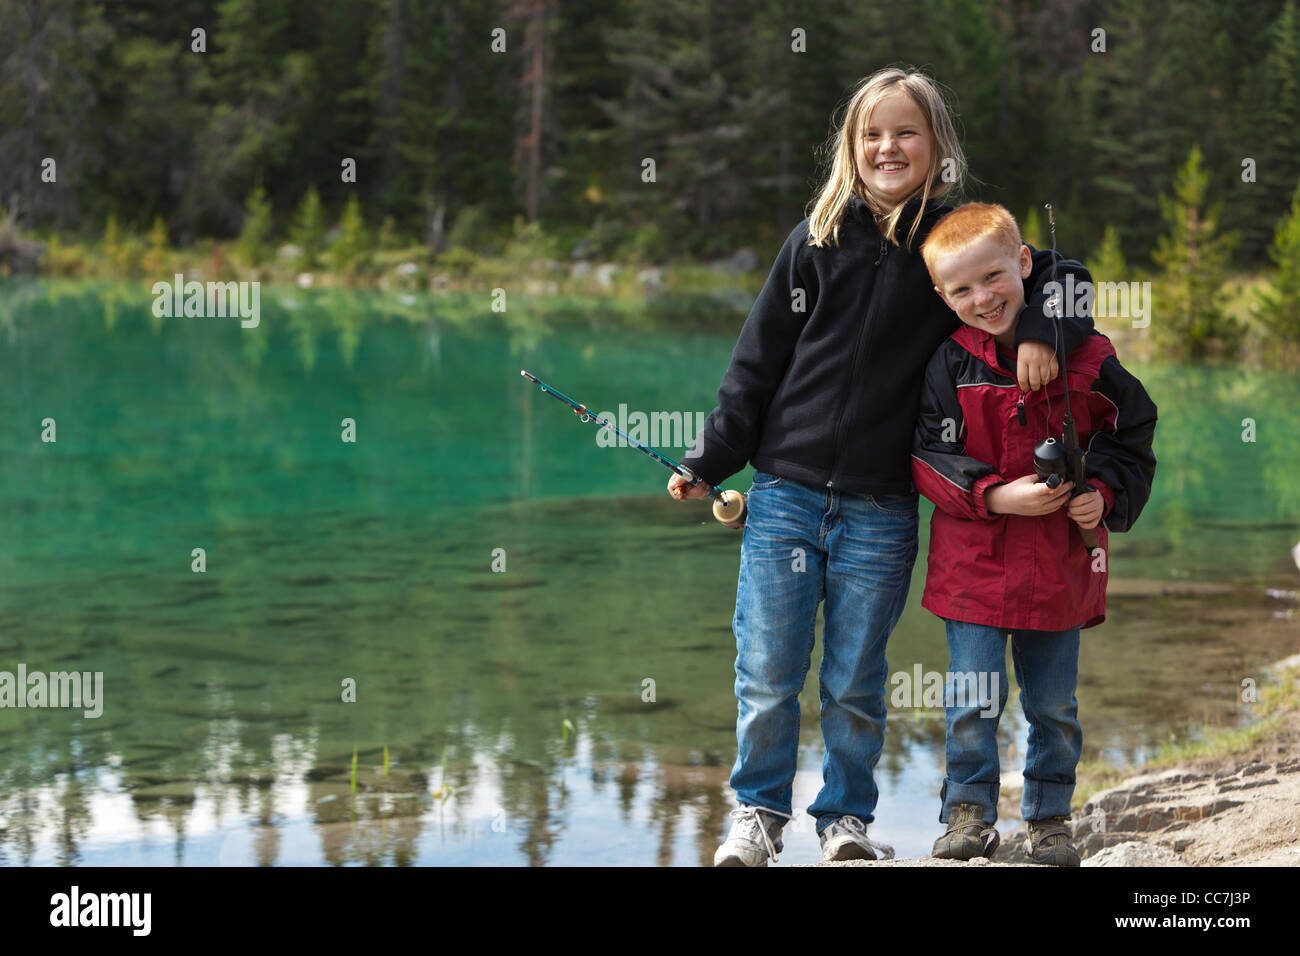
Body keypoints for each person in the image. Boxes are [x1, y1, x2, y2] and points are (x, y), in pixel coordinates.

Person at [667, 68, 1095, 866]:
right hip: (785, 492)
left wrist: (1039, 328)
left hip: (884, 502)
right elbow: (754, 365)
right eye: (872, 134)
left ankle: (844, 821)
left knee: (857, 675)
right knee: (766, 667)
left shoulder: (952, 239)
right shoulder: (816, 238)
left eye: (905, 132)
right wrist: (708, 457)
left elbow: (1059, 275)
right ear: (850, 147)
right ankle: (758, 813)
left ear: (936, 145)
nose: (887, 146)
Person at [913, 202, 1157, 866]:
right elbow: (926, 457)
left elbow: (1131, 436)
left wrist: (1102, 493)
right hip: (973, 568)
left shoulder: (1089, 356)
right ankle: (967, 813)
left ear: (1025, 263)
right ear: (941, 296)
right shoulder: (947, 364)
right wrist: (993, 494)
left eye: (993, 278)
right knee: (972, 699)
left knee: (1053, 707)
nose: (981, 298)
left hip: (1059, 566)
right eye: (960, 289)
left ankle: (1050, 820)